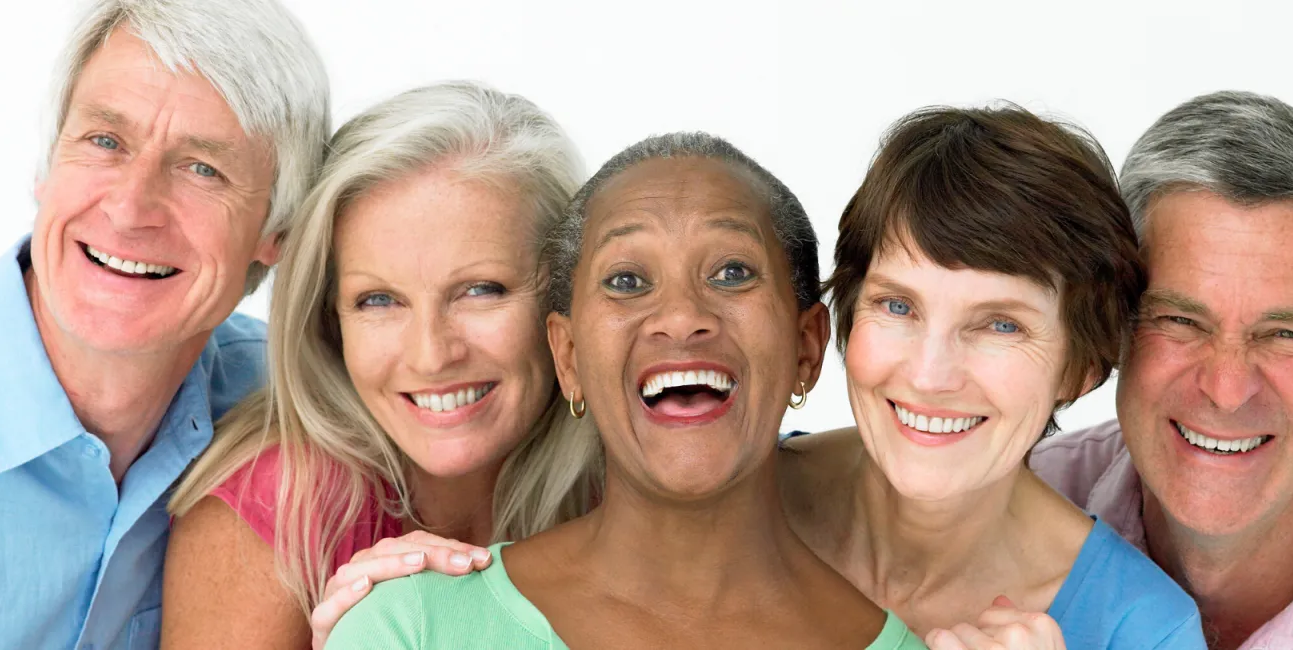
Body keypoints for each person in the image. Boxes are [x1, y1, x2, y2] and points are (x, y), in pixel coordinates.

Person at [325, 132, 927, 649]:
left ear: (806, 347)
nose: (681, 315)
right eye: (627, 280)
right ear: (568, 358)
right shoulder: (412, 629)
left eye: (732, 272)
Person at [0, 1, 328, 648]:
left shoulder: (307, 421)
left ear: (276, 232)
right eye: (106, 141)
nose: (132, 205)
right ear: (45, 167)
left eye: (203, 169)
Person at [161, 81, 603, 649]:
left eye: (480, 290)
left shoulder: (639, 478)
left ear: (566, 297)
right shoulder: (272, 515)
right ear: (330, 319)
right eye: (379, 301)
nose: (431, 353)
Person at [1030, 90, 1293, 649]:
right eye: (1181, 320)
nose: (1227, 389)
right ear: (1114, 320)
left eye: (1286, 334)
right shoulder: (1002, 507)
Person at [778, 105, 1203, 649]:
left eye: (1001, 324)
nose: (930, 376)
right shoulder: (721, 500)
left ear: (1082, 367)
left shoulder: (1143, 631)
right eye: (898, 306)